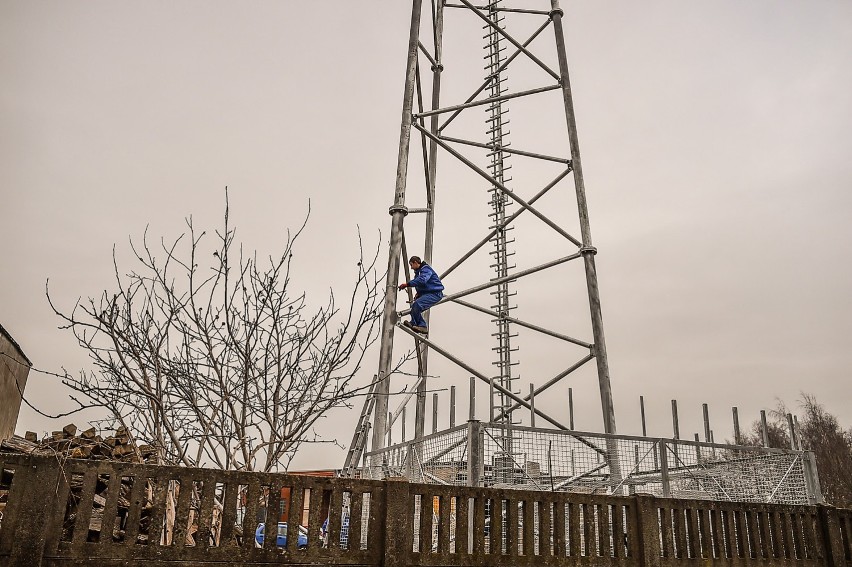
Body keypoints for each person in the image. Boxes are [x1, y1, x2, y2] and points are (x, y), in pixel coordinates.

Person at [398, 256, 444, 334]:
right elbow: (421, 284)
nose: (411, 268)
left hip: (435, 293)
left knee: (417, 304)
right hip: (428, 293)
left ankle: (422, 326)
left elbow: (422, 280)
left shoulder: (426, 270)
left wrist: (407, 284)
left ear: (416, 262)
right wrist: (419, 293)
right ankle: (414, 322)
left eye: (411, 265)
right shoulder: (419, 272)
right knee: (414, 306)